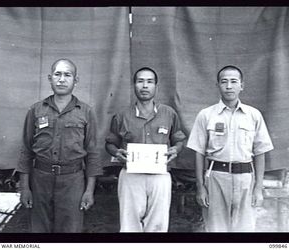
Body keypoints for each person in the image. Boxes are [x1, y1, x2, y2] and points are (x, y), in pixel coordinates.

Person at [16, 58, 101, 233]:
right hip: (40, 178)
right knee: (38, 230)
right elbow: (26, 150)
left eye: (67, 75)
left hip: (73, 180)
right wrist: (24, 188)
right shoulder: (36, 110)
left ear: (75, 80)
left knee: (70, 231)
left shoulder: (86, 112)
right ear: (50, 78)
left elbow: (92, 154)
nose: (62, 79)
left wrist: (89, 191)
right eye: (57, 74)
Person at [187, 65, 274, 232]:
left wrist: (258, 188)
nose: (229, 86)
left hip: (246, 180)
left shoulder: (253, 115)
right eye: (224, 82)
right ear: (217, 85)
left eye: (234, 81)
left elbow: (260, 152)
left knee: (245, 231)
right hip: (216, 179)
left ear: (242, 85)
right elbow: (198, 153)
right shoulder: (206, 115)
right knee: (216, 230)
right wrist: (200, 187)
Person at [105, 67, 186, 232]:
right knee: (129, 224)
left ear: (156, 87)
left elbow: (179, 140)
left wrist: (175, 150)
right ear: (134, 85)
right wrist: (116, 152)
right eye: (140, 81)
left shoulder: (168, 113)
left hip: (160, 176)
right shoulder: (122, 115)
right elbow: (110, 143)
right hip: (130, 176)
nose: (144, 86)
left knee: (158, 224)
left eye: (149, 82)